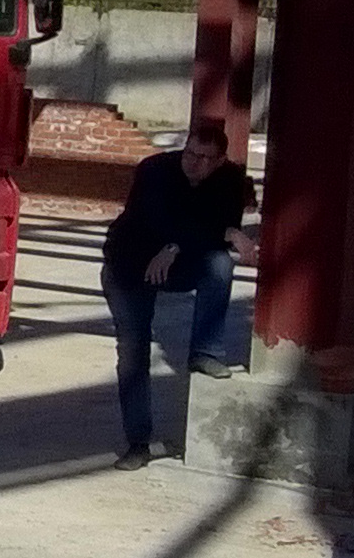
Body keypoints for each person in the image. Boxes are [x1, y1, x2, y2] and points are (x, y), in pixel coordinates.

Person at [101, 122, 252, 470]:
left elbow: (217, 230)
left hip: (177, 262)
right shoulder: (154, 170)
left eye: (205, 158)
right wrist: (219, 234)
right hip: (130, 263)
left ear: (220, 161)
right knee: (133, 350)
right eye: (190, 154)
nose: (194, 163)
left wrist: (184, 244)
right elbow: (157, 219)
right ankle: (138, 443)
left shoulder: (231, 180)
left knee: (219, 264)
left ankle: (205, 352)